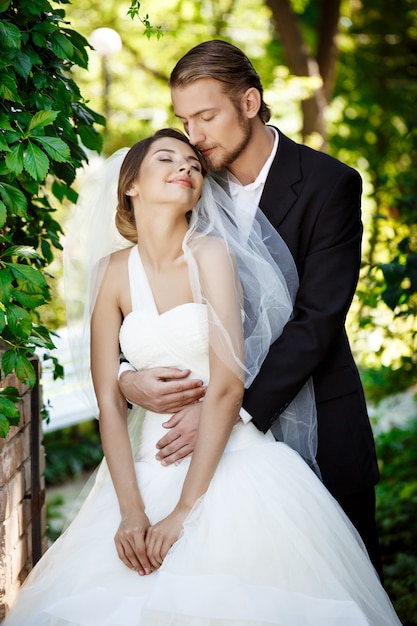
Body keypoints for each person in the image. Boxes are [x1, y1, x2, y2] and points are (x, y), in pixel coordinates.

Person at [3, 129, 401, 625]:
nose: (186, 169)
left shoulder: (211, 255)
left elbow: (230, 385)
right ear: (131, 185)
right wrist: (131, 511)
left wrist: (183, 513)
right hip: (143, 468)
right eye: (167, 159)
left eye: (193, 164)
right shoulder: (110, 272)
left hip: (232, 460)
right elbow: (109, 399)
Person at [118, 40, 383, 578]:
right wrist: (127, 377)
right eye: (184, 120)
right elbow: (139, 288)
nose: (194, 137)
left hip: (317, 420)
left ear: (249, 102)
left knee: (336, 591)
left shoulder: (330, 185)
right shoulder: (185, 184)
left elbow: (318, 321)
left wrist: (227, 410)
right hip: (200, 457)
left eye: (207, 116)